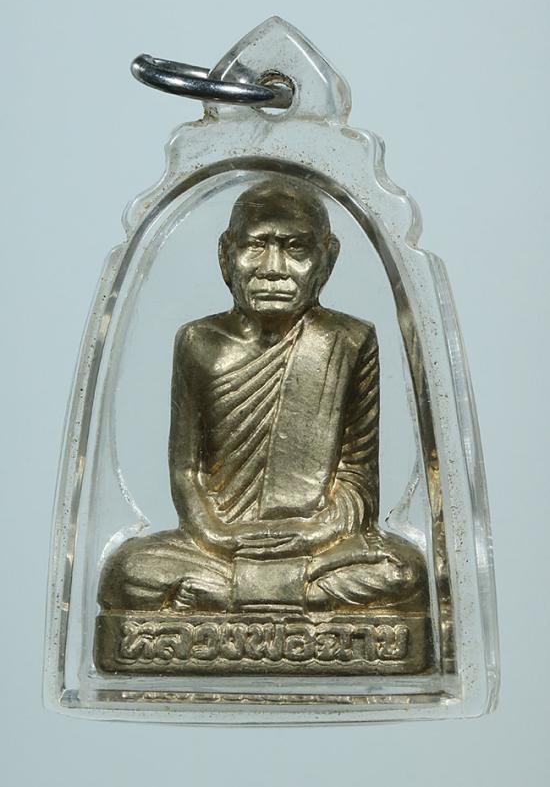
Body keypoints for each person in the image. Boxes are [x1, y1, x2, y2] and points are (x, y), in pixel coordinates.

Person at [98, 177, 427, 614]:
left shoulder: (348, 341)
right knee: (128, 570)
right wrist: (215, 535)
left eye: (295, 248)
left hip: (313, 544)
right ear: (225, 254)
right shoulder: (199, 342)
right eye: (256, 246)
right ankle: (289, 596)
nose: (273, 268)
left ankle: (235, 596)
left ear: (327, 258)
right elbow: (187, 471)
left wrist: (313, 533)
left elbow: (356, 481)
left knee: (404, 571)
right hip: (220, 545)